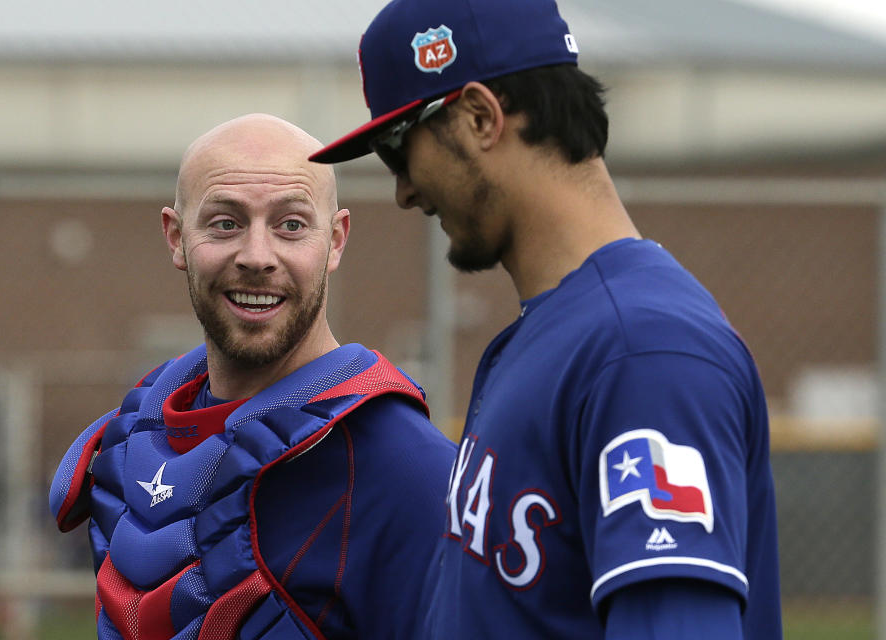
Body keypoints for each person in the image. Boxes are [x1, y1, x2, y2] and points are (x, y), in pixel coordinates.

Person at [310, 0, 782, 638]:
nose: (404, 191)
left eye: (400, 148)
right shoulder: (554, 332)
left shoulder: (642, 351)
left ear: (481, 117)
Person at [49, 114, 457, 640]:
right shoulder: (133, 442)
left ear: (335, 241)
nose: (257, 257)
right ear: (176, 238)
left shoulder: (406, 469)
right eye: (226, 223)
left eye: (291, 225)